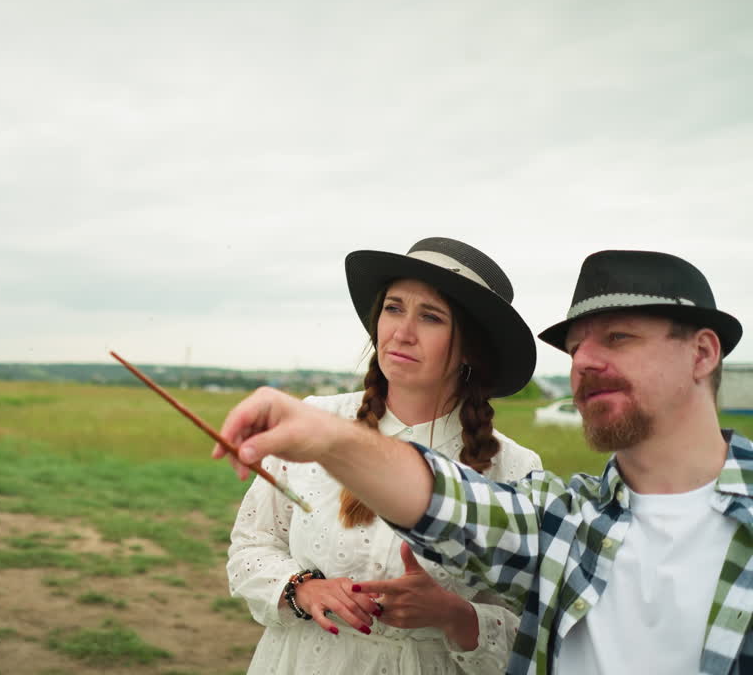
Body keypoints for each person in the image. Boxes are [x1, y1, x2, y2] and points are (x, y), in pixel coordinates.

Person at [215, 250, 751, 675]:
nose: (584, 361)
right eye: (575, 348)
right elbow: (447, 502)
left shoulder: (527, 484)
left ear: (703, 354)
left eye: (618, 337)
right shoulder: (565, 521)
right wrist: (326, 434)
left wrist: (454, 616)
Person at [227, 237, 543, 674]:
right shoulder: (314, 423)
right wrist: (302, 589)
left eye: (431, 317)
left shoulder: (515, 468)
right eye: (394, 308)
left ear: (472, 346)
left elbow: (529, 632)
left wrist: (453, 614)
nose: (402, 332)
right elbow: (252, 546)